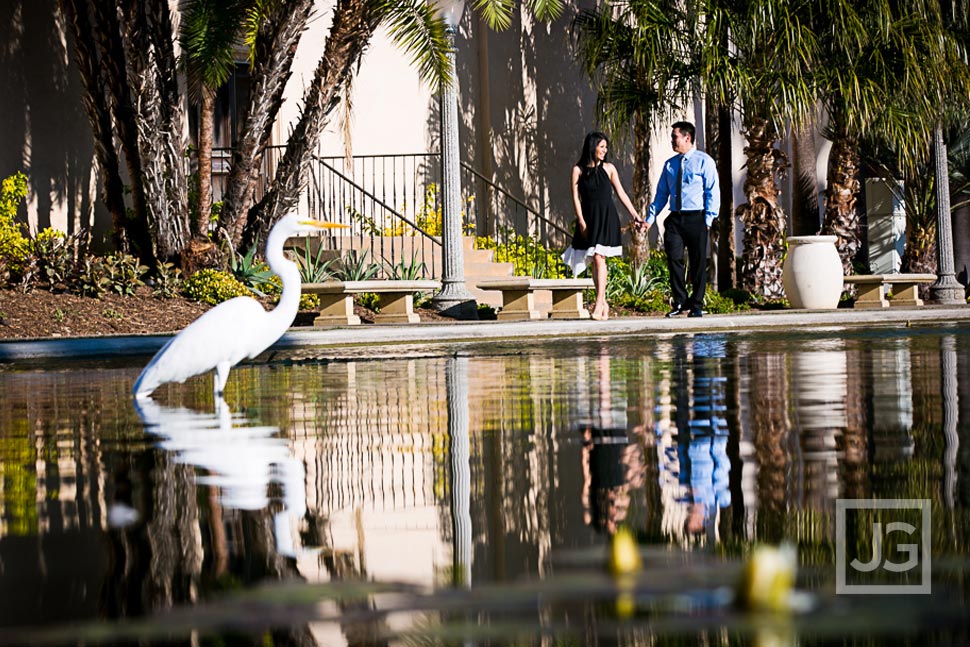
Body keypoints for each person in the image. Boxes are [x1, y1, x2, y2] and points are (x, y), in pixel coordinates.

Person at [562, 132, 645, 321]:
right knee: (594, 259)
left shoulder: (609, 169)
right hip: (589, 218)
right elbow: (576, 197)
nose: (604, 150)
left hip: (607, 218)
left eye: (606, 147)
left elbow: (621, 193)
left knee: (599, 257)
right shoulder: (578, 170)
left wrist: (636, 215)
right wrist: (581, 221)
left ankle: (599, 302)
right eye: (601, 147)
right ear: (592, 147)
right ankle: (604, 303)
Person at [645, 121, 720, 318]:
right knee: (674, 259)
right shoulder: (670, 164)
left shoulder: (704, 161)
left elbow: (712, 192)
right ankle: (679, 301)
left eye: (674, 137)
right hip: (675, 219)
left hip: (697, 218)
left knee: (697, 263)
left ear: (687, 138)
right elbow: (662, 194)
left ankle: (696, 305)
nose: (672, 141)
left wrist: (708, 220)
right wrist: (649, 218)